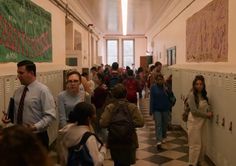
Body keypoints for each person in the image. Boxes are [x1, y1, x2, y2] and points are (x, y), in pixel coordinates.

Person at [2, 60, 56, 149]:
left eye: (21, 73)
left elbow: (50, 116)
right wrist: (7, 118)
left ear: (31, 73)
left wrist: (35, 127)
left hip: (37, 138)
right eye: (18, 73)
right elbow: (15, 113)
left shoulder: (43, 91)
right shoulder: (18, 91)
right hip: (19, 137)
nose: (18, 76)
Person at [100, 83, 144, 166]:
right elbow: (141, 122)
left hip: (114, 140)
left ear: (113, 94)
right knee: (127, 163)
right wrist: (130, 123)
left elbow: (102, 123)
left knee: (117, 162)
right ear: (125, 94)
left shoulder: (110, 107)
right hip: (129, 139)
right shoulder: (132, 107)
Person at [57, 102, 106, 166]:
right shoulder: (89, 137)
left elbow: (63, 158)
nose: (95, 116)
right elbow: (97, 162)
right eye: (94, 114)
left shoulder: (65, 131)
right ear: (88, 118)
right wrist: (103, 151)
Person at [187, 75, 213, 166]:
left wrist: (208, 111)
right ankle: (192, 163)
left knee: (203, 144)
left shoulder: (204, 95)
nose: (199, 86)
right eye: (197, 84)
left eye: (201, 84)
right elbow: (194, 111)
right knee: (195, 145)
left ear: (203, 85)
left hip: (202, 123)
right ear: (194, 85)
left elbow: (206, 106)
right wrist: (207, 115)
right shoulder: (191, 95)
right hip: (194, 122)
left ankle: (199, 161)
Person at [149, 74, 171, 150]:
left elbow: (170, 95)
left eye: (161, 79)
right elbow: (152, 99)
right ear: (155, 80)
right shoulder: (153, 88)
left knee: (164, 124)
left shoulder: (166, 87)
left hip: (165, 108)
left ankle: (164, 136)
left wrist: (167, 89)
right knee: (158, 124)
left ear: (163, 79)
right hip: (156, 109)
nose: (159, 81)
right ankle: (159, 141)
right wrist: (151, 110)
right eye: (158, 79)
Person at [91, 73, 109, 142]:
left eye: (96, 77)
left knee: (100, 126)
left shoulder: (99, 89)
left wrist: (92, 95)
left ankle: (103, 142)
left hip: (99, 109)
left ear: (100, 79)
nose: (94, 78)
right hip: (101, 108)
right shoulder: (102, 87)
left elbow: (95, 100)